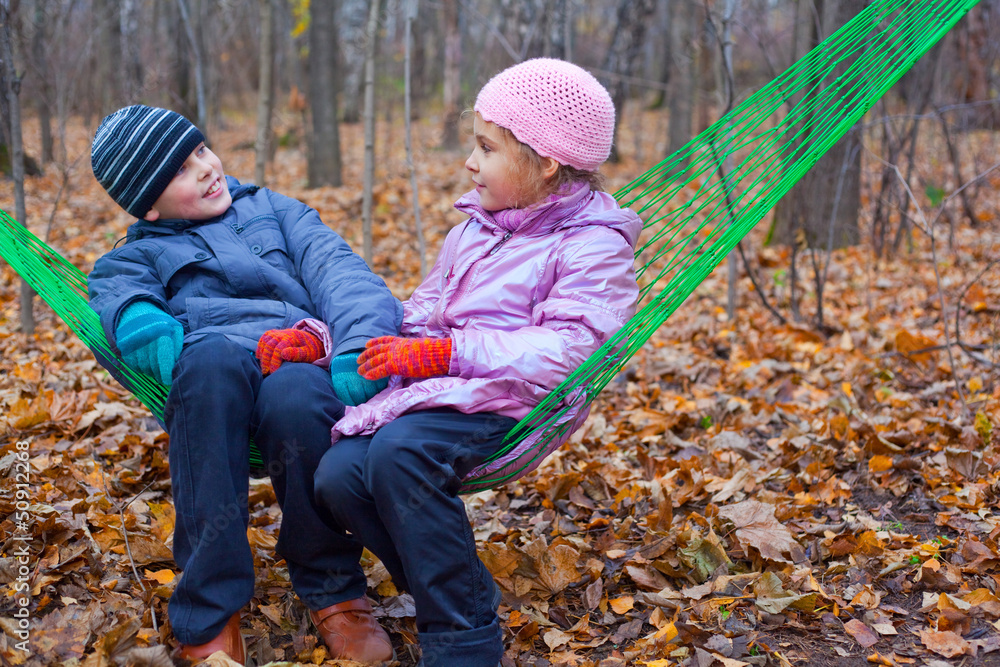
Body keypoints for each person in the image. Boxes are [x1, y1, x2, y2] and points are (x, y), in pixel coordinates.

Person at [306, 58, 642, 666]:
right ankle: (460, 586)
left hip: (520, 402)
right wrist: (332, 341)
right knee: (338, 476)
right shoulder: (475, 230)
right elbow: (418, 318)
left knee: (399, 455)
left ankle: (464, 640)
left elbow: (573, 348)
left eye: (487, 148)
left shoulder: (593, 242)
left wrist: (453, 351)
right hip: (446, 390)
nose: (470, 162)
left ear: (544, 163)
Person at [87, 105, 402, 664]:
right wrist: (143, 319)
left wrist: (356, 346)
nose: (207, 168)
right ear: (150, 208)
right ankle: (209, 613)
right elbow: (117, 291)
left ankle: (334, 588)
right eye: (181, 170)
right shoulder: (137, 253)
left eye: (202, 150)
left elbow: (343, 274)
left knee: (300, 398)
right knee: (207, 367)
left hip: (293, 357)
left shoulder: (276, 211)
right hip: (212, 371)